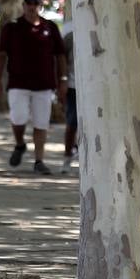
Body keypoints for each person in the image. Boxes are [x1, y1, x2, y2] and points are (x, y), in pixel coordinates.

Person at [0, 0, 68, 175]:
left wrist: (62, 80)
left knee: (41, 123)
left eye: (35, 4)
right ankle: (19, 144)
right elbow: (2, 56)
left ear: (39, 6)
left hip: (44, 84)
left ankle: (39, 160)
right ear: (23, 6)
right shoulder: (12, 28)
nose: (31, 7)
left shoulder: (50, 27)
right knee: (19, 117)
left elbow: (60, 56)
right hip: (18, 83)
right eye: (28, 3)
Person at [61, 28, 78, 174]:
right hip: (73, 86)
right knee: (72, 123)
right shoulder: (70, 36)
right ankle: (67, 157)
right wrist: (63, 81)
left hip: (97, 87)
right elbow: (61, 59)